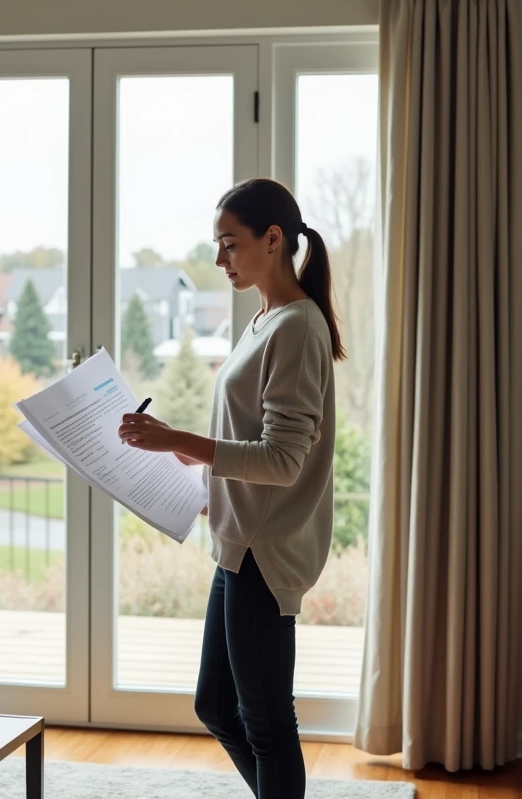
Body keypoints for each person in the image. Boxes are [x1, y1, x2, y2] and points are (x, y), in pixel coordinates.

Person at [117, 178, 342, 798]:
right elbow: (247, 439)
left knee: (269, 725)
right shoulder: (265, 320)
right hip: (237, 545)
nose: (220, 260)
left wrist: (176, 441)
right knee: (217, 706)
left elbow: (283, 460)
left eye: (229, 244)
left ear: (273, 240)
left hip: (265, 556)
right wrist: (177, 457)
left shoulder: (297, 327)